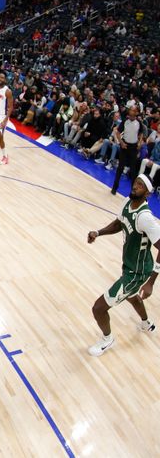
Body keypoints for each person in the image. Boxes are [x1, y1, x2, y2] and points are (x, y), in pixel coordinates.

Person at [87, 174, 160, 356]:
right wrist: (98, 232)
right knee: (133, 297)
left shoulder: (145, 218)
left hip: (137, 273)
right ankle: (145, 322)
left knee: (99, 308)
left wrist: (151, 282)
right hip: (129, 265)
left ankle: (107, 339)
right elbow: (119, 224)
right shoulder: (128, 202)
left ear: (148, 194)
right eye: (136, 182)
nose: (135, 186)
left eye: (141, 185)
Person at [111, 106, 145, 195]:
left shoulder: (139, 123)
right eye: (130, 110)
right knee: (120, 168)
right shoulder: (125, 121)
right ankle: (114, 187)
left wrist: (139, 143)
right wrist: (121, 142)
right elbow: (117, 132)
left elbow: (141, 133)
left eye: (133, 110)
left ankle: (133, 192)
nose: (131, 111)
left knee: (133, 171)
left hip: (133, 147)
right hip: (125, 146)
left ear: (136, 113)